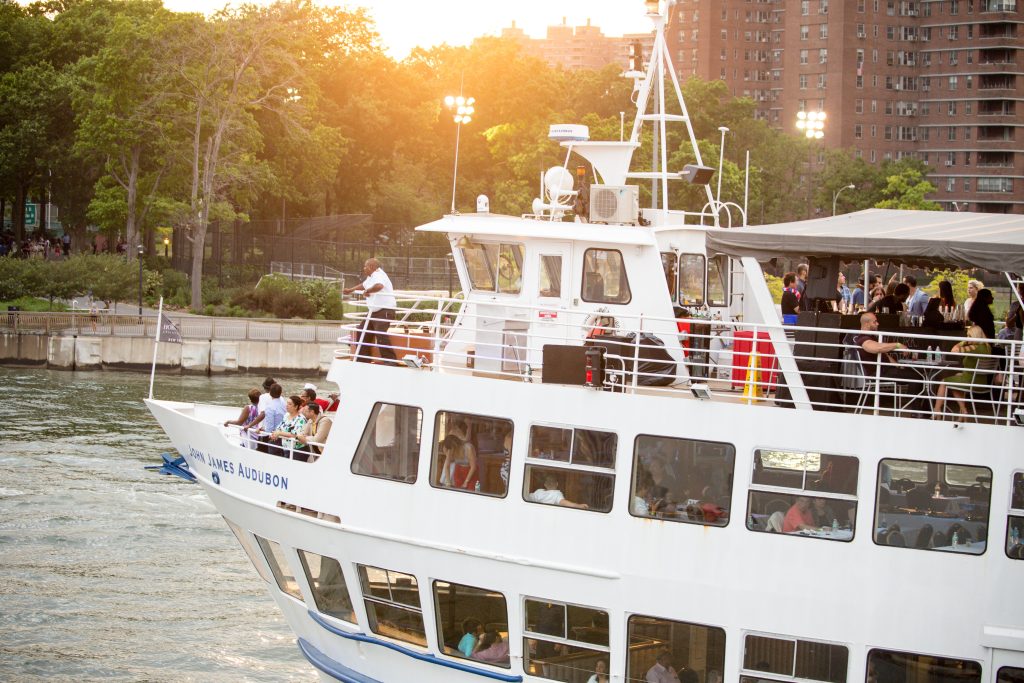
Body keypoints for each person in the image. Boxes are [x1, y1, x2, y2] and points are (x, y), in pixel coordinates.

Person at [343, 257, 398, 364]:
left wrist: (368, 291)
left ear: (371, 267)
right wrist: (350, 290)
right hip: (374, 312)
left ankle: (390, 360)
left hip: (384, 311)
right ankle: (363, 359)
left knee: (380, 334)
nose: (364, 268)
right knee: (361, 331)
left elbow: (379, 286)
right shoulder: (371, 277)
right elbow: (363, 285)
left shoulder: (379, 275)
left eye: (365, 266)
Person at [933, 324, 991, 419]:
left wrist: (963, 342)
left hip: (972, 381)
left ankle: (937, 411)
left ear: (975, 336)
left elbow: (954, 350)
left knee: (944, 382)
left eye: (969, 336)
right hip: (981, 381)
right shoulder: (986, 347)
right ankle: (962, 412)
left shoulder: (974, 348)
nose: (967, 337)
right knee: (957, 376)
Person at [249, 383, 286, 452]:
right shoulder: (284, 403)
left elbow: (269, 428)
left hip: (274, 437)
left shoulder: (270, 407)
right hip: (283, 434)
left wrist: (261, 430)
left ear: (270, 393)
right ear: (281, 392)